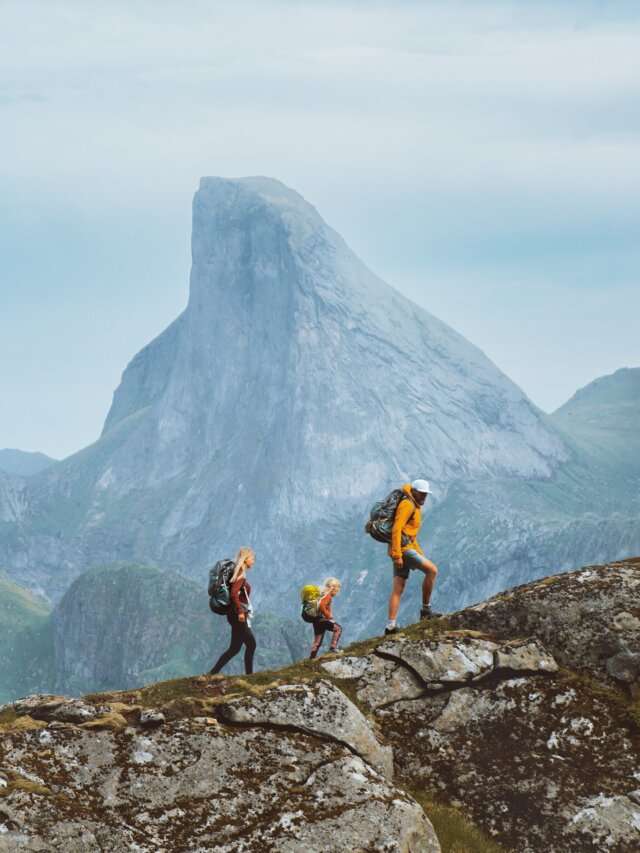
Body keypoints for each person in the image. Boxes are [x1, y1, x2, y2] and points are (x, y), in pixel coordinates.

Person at [386, 479, 440, 635]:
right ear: (414, 492)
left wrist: (419, 554)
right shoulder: (407, 505)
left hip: (404, 548)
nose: (424, 497)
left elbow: (411, 535)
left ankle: (390, 626)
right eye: (422, 494)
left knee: (398, 588)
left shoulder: (414, 505)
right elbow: (396, 529)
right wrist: (397, 554)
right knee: (432, 571)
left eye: (426, 495)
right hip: (403, 550)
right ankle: (426, 611)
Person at [209, 546, 257, 675]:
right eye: (252, 558)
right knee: (251, 644)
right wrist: (241, 612)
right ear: (246, 559)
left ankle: (212, 673)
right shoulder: (241, 573)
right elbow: (234, 594)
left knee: (234, 649)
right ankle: (249, 676)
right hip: (238, 615)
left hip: (233, 614)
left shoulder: (237, 571)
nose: (253, 561)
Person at [309, 577, 343, 659]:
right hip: (322, 620)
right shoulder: (327, 596)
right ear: (334, 588)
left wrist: (329, 616)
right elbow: (321, 606)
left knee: (317, 641)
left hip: (316, 620)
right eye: (337, 589)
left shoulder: (321, 594)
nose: (337, 592)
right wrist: (328, 616)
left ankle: (311, 658)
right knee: (338, 629)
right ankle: (333, 648)